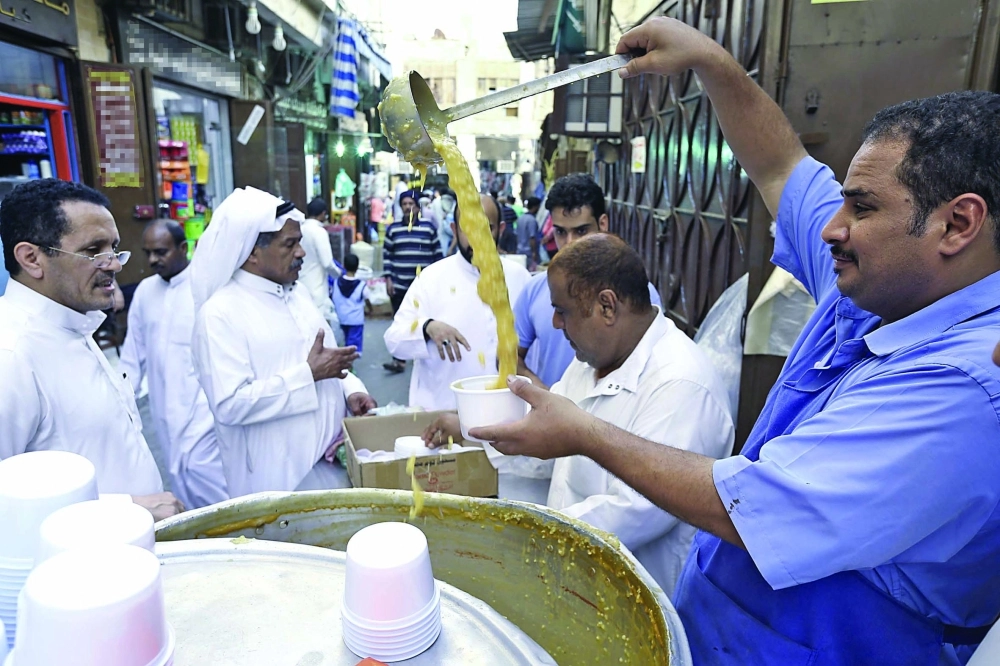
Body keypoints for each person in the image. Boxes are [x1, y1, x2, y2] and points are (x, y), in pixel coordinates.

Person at [474, 17, 1000, 665]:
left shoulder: (967, 389)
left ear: (958, 224)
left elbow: (754, 507)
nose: (832, 228)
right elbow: (781, 167)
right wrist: (713, 63)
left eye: (861, 208)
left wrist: (580, 431)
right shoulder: (882, 288)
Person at [426, 235, 733, 593]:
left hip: (638, 597)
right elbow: (551, 441)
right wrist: (478, 431)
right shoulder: (591, 361)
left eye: (563, 310)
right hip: (573, 579)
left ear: (606, 306)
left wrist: (522, 535)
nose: (555, 323)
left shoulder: (682, 384)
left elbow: (636, 510)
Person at [0, 179, 182, 519]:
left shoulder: (73, 323)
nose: (113, 264)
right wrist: (127, 508)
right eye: (93, 250)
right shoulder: (10, 355)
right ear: (31, 258)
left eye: (113, 247)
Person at [190, 187, 377, 496]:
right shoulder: (219, 314)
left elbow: (327, 361)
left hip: (331, 465)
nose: (301, 253)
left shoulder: (298, 294)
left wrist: (352, 391)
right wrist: (308, 375)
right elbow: (230, 404)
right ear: (251, 252)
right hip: (279, 484)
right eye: (290, 244)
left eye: (300, 242)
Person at [514, 174, 663, 389]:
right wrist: (549, 399)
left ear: (602, 224)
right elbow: (509, 357)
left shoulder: (639, 293)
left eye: (581, 231)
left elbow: (651, 367)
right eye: (560, 232)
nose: (569, 243)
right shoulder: (534, 290)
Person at [383, 194, 531, 410]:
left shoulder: (521, 278)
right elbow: (393, 341)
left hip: (508, 415)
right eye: (467, 228)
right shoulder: (431, 278)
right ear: (454, 229)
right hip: (442, 416)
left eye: (486, 228)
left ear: (501, 228)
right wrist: (427, 327)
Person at [119, 219, 228, 510]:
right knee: (178, 475)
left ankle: (233, 538)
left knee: (208, 477)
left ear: (183, 248)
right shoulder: (144, 291)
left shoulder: (206, 287)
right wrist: (122, 400)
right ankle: (197, 541)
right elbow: (133, 351)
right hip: (164, 408)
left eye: (161, 252)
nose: (153, 260)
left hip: (203, 408)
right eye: (148, 253)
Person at [381, 189, 443, 374]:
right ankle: (399, 360)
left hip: (423, 288)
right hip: (400, 285)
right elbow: (387, 256)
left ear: (418, 207)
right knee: (401, 322)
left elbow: (437, 255)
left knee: (424, 320)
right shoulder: (393, 229)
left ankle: (425, 358)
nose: (408, 207)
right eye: (405, 204)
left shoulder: (428, 228)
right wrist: (388, 278)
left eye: (411, 204)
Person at [298, 197, 341, 325]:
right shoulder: (319, 232)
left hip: (300, 282)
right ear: (323, 213)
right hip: (316, 287)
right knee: (320, 325)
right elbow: (327, 263)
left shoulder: (300, 229)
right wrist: (339, 274)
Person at [333, 253, 369, 355]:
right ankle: (349, 366)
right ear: (357, 267)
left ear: (344, 266)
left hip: (340, 318)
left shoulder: (336, 283)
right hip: (356, 320)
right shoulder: (362, 285)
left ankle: (343, 364)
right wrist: (370, 310)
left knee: (342, 343)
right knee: (353, 346)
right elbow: (367, 298)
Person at [515, 196, 541, 270]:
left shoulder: (520, 218)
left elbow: (517, 235)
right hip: (529, 253)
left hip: (520, 250)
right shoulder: (532, 220)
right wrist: (534, 253)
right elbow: (532, 237)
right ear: (535, 207)